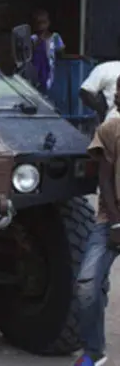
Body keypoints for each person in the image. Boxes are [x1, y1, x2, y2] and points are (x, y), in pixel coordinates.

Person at [74, 75, 120, 366]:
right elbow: (104, 177)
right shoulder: (111, 128)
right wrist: (115, 221)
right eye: (118, 91)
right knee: (87, 285)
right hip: (111, 218)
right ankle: (93, 351)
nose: (117, 96)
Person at [30, 9, 65, 93]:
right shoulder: (33, 39)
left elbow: (62, 55)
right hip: (36, 75)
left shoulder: (55, 38)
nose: (41, 25)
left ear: (48, 23)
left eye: (43, 22)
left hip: (51, 75)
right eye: (38, 23)